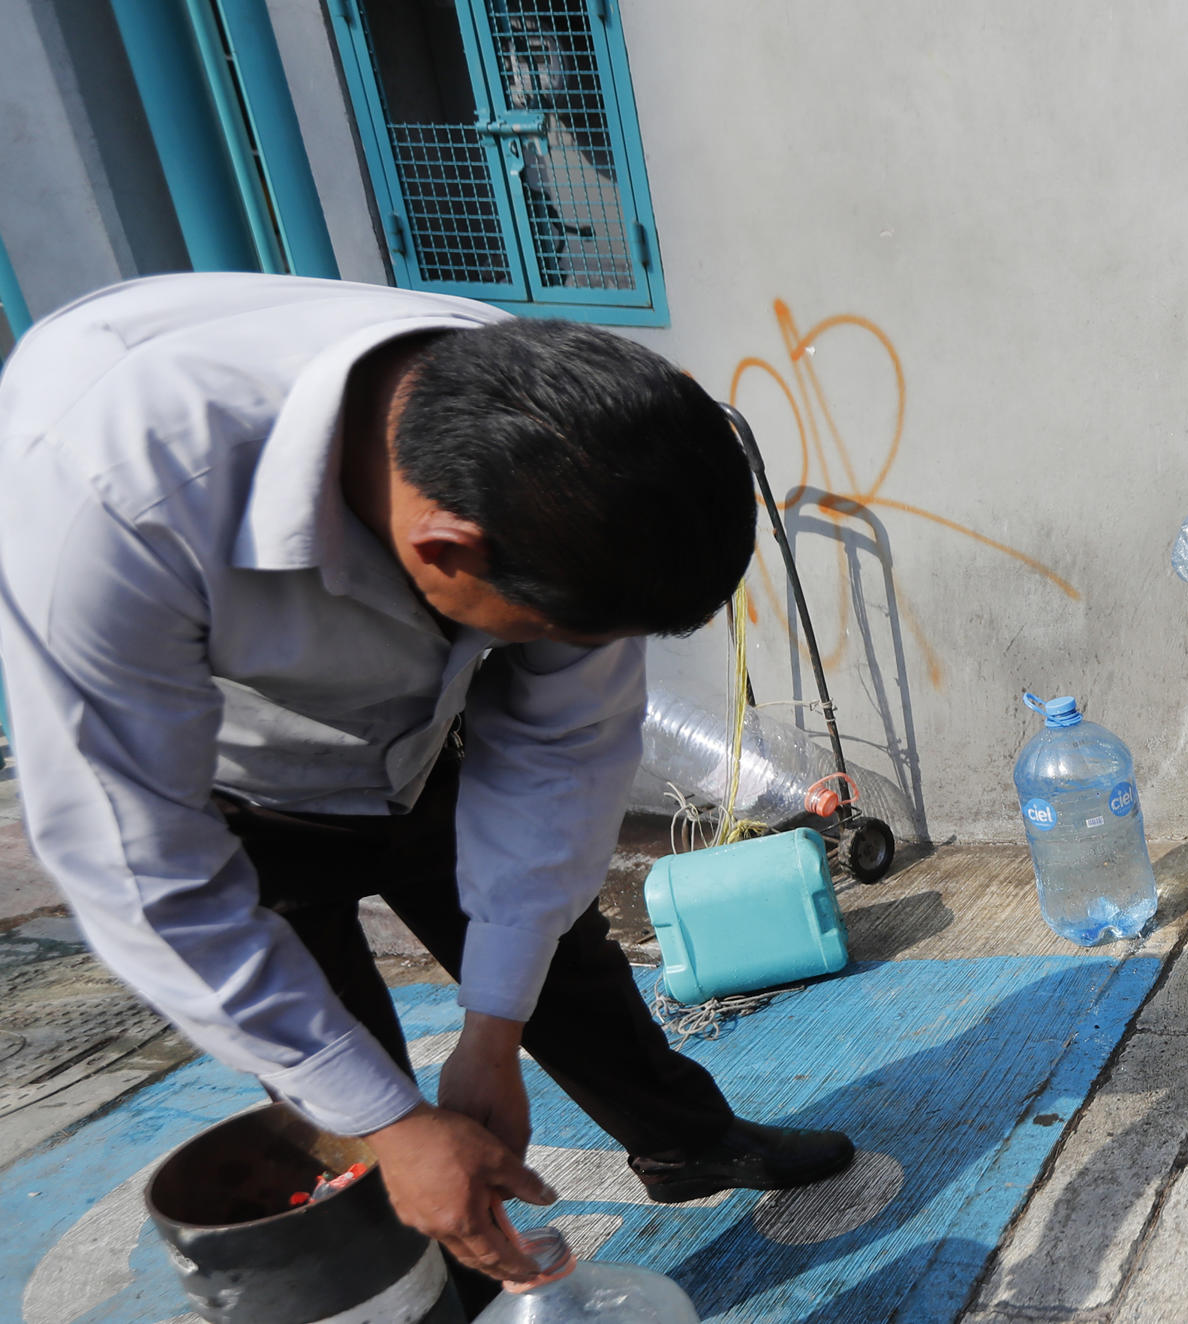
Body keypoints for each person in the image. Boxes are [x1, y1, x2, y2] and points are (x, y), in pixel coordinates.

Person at [0, 273, 854, 1304]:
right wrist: (396, 1125)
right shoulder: (106, 495)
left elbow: (563, 749)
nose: (553, 655)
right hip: (238, 801)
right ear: (444, 547)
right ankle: (459, 1279)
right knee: (346, 1084)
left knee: (555, 954)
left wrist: (492, 1034)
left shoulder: (554, 438)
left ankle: (690, 1145)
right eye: (534, 633)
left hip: (417, 743)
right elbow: (140, 870)